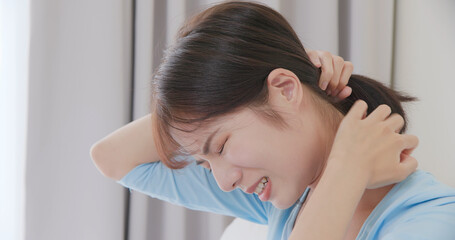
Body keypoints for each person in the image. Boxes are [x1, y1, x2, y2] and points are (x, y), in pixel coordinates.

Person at [90, 2, 455, 240]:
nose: (224, 181)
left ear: (284, 90)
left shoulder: (430, 221)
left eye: (220, 146)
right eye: (206, 162)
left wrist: (347, 169)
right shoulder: (289, 201)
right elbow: (112, 157)